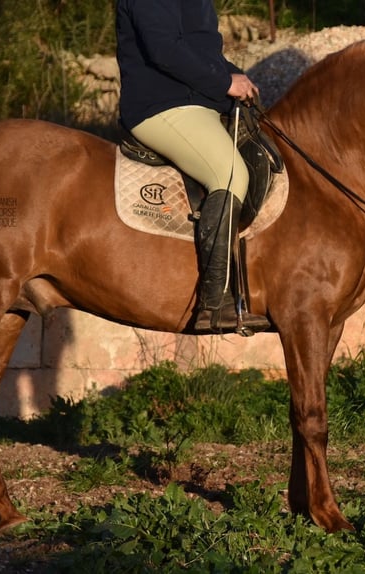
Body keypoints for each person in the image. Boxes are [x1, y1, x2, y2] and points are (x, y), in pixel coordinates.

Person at [116, 0, 271, 334]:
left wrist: (232, 75)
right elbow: (164, 49)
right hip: (160, 106)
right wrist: (224, 83)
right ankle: (215, 305)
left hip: (199, 101)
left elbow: (202, 50)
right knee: (229, 173)